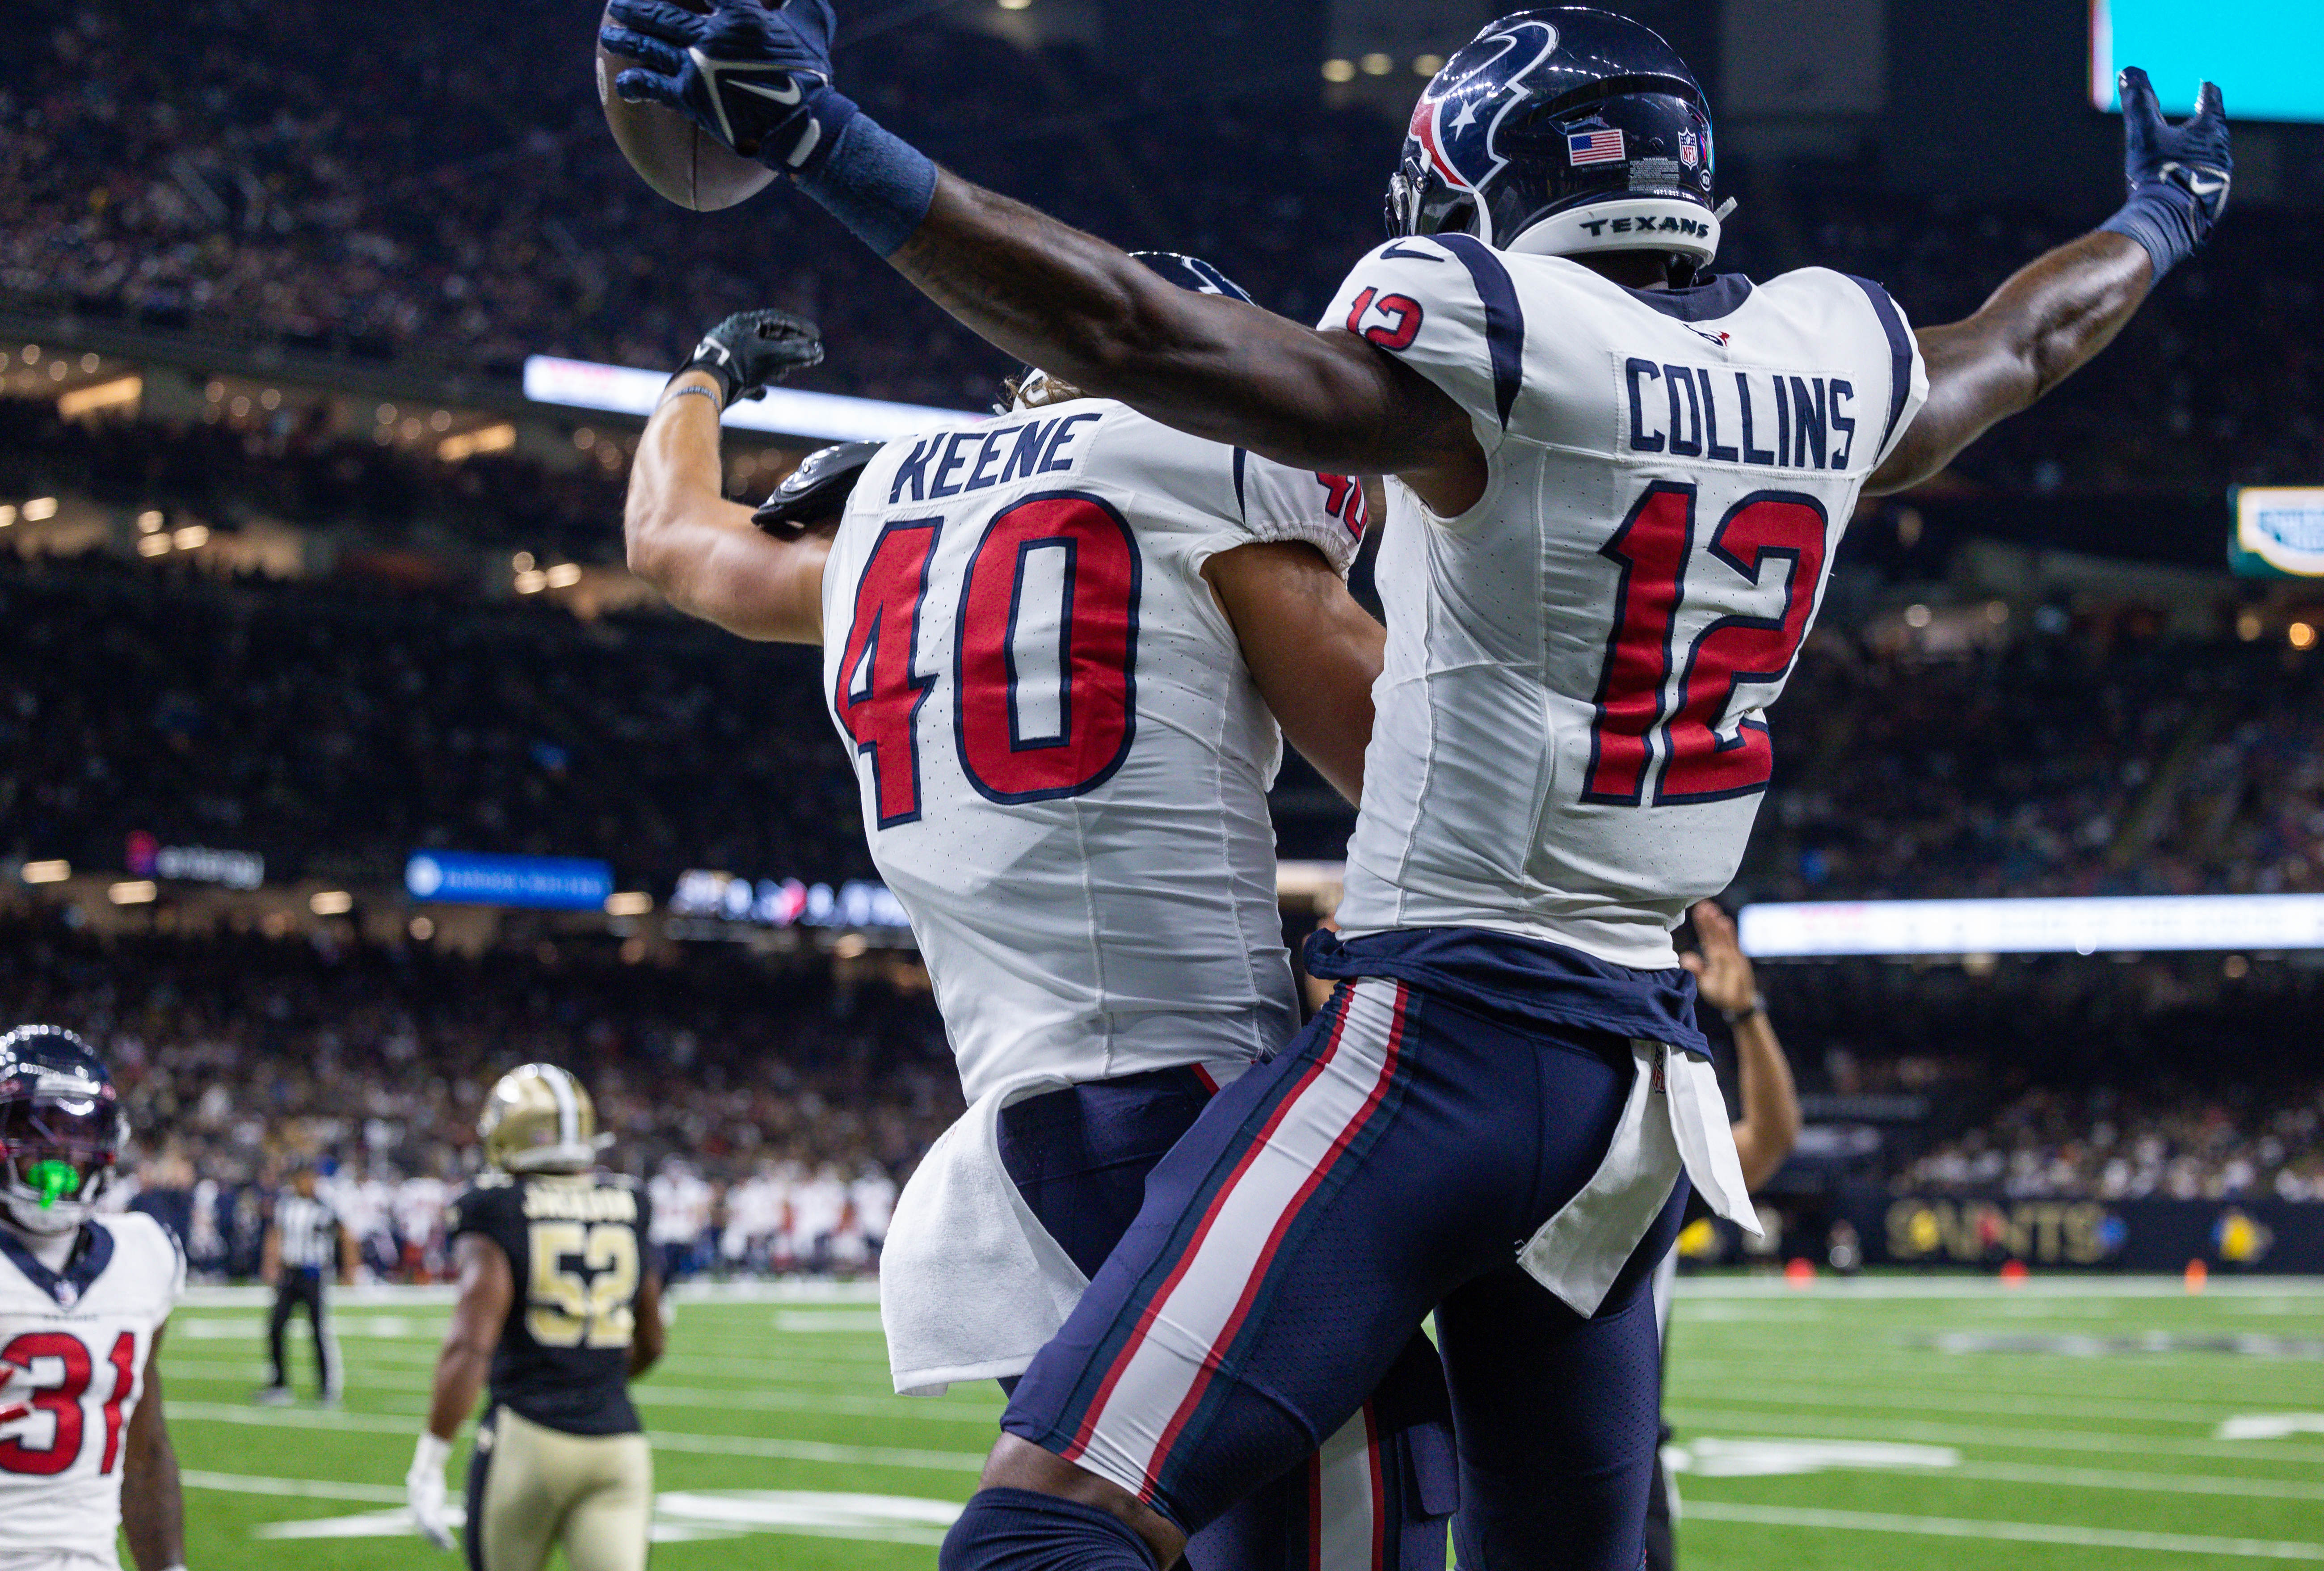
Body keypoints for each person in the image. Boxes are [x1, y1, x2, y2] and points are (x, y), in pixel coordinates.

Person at [599, 4, 2229, 1566]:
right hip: (1634, 1076)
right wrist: (2162, 216)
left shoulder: (1482, 336)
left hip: (1432, 1051)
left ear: (1489, 184)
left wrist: (828, 143)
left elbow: (1127, 331)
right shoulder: (1828, 350)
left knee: (1049, 1521)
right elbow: (2020, 342)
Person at [624, 273, 1450, 1568]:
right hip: (1197, 1115)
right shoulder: (1194, 464)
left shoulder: (892, 504)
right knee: (1352, 1504)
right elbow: (1427, 783)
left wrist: (703, 376)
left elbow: (673, 538)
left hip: (1026, 1135)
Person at [404, 1064, 665, 1571]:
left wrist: (431, 1457)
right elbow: (653, 1341)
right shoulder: (629, 1200)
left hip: (528, 1437)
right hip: (617, 1443)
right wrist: (590, 1379)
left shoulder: (497, 1205)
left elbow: (469, 1344)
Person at [1646, 898, 1800, 1571]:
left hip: (1622, 1449)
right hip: (1488, 1440)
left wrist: (1745, 1013)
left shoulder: (1646, 1150)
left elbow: (1769, 1138)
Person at [0, 1025, 188, 1571]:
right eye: (35, 1128)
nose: (59, 1150)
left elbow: (145, 1442)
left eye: (77, 1131)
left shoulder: (144, 1254)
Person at [255, 1160, 353, 1407]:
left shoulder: (326, 1206)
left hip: (314, 1274)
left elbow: (345, 1235)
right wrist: (270, 1265)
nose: (308, 1183)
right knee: (276, 1327)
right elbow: (275, 1234)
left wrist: (349, 1269)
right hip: (290, 1274)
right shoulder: (285, 1204)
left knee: (319, 1330)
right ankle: (279, 1386)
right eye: (304, 1178)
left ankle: (328, 1388)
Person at [646, 1155, 712, 1283]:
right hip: (663, 1234)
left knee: (688, 1265)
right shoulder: (656, 1185)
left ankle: (690, 1280)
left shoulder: (693, 1186)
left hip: (685, 1233)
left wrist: (697, 1229)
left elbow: (701, 1210)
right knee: (664, 1267)